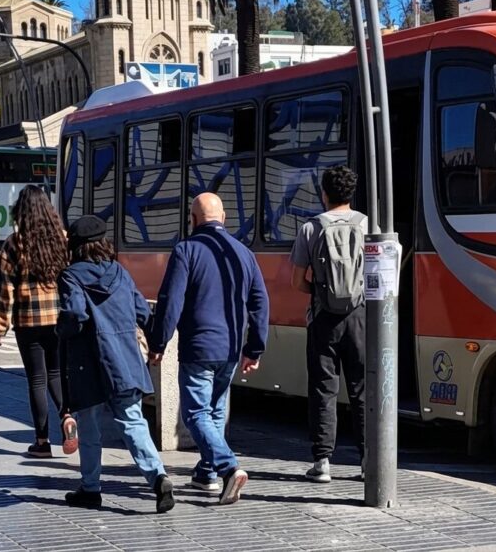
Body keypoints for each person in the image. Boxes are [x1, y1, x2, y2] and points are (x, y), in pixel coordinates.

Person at [147, 193, 269, 505]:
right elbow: (260, 303)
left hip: (198, 346)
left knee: (196, 413)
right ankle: (206, 473)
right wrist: (253, 349)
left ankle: (228, 468)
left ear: (193, 219)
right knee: (214, 410)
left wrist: (158, 343)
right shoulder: (243, 252)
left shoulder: (186, 250)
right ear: (224, 218)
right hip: (230, 347)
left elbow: (171, 301)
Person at [57, 215, 175, 514]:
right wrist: (156, 344)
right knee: (133, 421)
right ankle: (158, 477)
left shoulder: (71, 275)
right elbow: (141, 311)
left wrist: (62, 329)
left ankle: (91, 487)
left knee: (90, 427)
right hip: (122, 360)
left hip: (87, 363)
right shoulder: (120, 272)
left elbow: (75, 313)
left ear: (75, 245)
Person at [289, 165, 367, 483]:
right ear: (351, 193)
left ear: (324, 194)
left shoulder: (311, 228)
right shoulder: (367, 226)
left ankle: (322, 461)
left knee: (323, 388)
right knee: (362, 389)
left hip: (323, 318)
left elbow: (297, 281)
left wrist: (322, 292)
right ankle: (368, 461)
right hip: (360, 316)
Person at [0, 185, 77, 458]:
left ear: (21, 212)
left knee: (36, 380)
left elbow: (4, 288)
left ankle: (41, 442)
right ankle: (67, 416)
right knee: (57, 374)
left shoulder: (14, 244)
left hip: (28, 321)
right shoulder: (63, 240)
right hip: (60, 319)